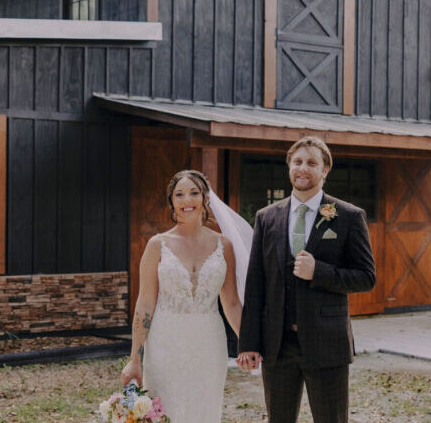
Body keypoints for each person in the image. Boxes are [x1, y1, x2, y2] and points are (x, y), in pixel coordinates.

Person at [237, 136, 376, 423]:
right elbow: (255, 284)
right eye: (297, 162)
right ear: (289, 166)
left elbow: (366, 277)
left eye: (312, 163)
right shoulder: (266, 217)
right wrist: (249, 342)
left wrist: (319, 272)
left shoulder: (348, 216)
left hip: (326, 343)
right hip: (277, 344)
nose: (303, 168)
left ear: (325, 170)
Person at [120, 170, 242, 422]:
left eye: (194, 193)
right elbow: (144, 304)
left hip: (209, 344)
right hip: (165, 343)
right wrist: (135, 359)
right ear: (172, 202)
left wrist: (250, 343)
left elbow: (230, 302)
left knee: (205, 410)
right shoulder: (157, 244)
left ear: (206, 198)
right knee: (167, 410)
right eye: (180, 194)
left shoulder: (224, 246)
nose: (187, 200)